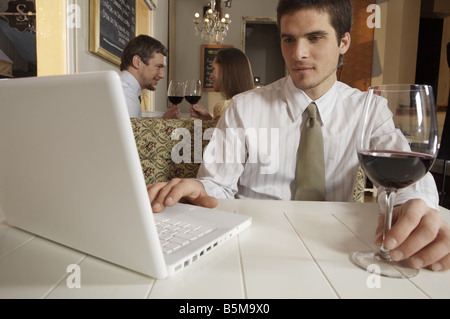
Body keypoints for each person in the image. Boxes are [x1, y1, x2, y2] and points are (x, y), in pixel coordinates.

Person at [147, 0, 450, 271]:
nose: (298, 53)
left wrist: (414, 205)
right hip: (249, 248)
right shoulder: (244, 107)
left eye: (315, 37)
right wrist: (198, 189)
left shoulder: (368, 110)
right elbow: (218, 186)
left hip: (335, 251)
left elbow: (407, 175)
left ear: (344, 41)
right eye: (289, 39)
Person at [120, 35, 180, 119]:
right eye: (159, 66)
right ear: (137, 62)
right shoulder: (126, 96)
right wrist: (163, 123)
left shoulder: (123, 90)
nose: (162, 75)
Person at [190, 47, 254, 120]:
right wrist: (209, 119)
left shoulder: (222, 107)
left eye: (213, 69)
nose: (210, 76)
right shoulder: (252, 106)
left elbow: (211, 131)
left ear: (226, 70)